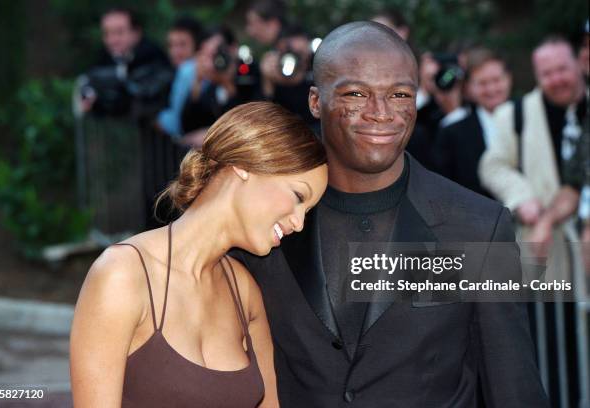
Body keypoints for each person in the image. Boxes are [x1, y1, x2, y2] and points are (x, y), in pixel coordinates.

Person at [232, 22, 549, 407]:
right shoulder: (263, 219)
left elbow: (512, 386)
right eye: (356, 93)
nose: (381, 114)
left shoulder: (477, 225)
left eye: (399, 94)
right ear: (316, 101)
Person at [70, 102, 328, 407]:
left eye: (307, 212)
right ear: (246, 164)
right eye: (298, 197)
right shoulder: (122, 275)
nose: (298, 224)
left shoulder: (244, 291)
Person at [479, 37, 586, 256]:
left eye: (562, 69)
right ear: (536, 76)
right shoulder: (513, 114)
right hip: (544, 246)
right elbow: (491, 166)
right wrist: (521, 196)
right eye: (547, 74)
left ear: (578, 63)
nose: (556, 80)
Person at [432, 48, 512, 197]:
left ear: (508, 79)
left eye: (496, 80)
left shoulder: (530, 116)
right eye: (482, 83)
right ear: (469, 87)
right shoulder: (452, 134)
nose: (491, 89)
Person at [81, 8, 172, 117]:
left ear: (136, 33)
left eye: (119, 32)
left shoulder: (153, 56)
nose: (112, 40)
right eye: (107, 33)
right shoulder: (103, 57)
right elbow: (88, 82)